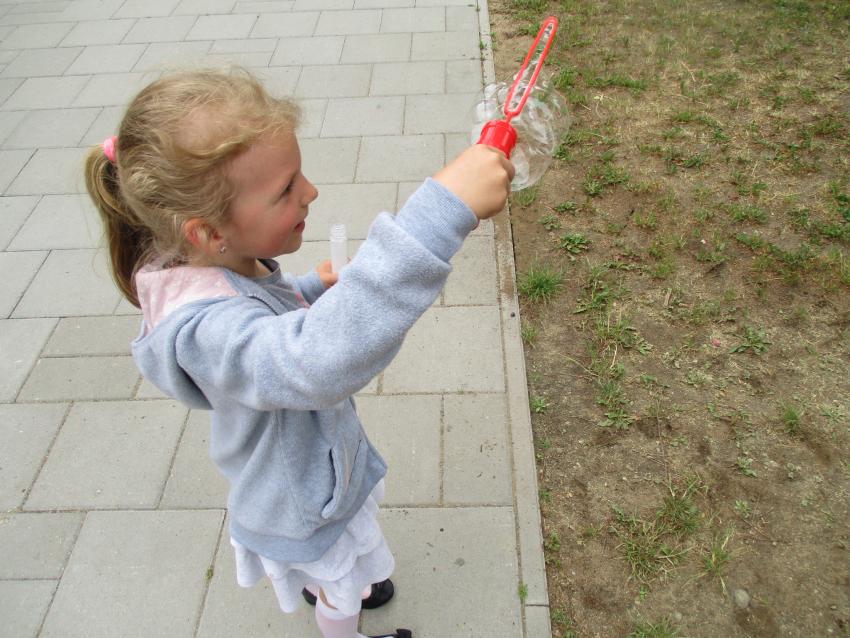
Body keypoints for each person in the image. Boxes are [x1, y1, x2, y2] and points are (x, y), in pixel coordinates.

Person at [84, 68, 513, 638]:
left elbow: (262, 319)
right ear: (208, 233)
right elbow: (310, 361)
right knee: (340, 586)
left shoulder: (217, 261)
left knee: (348, 566)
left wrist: (309, 290)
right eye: (286, 189)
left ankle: (344, 582)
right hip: (302, 503)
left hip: (319, 465)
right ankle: (341, 621)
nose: (309, 192)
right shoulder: (203, 330)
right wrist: (437, 217)